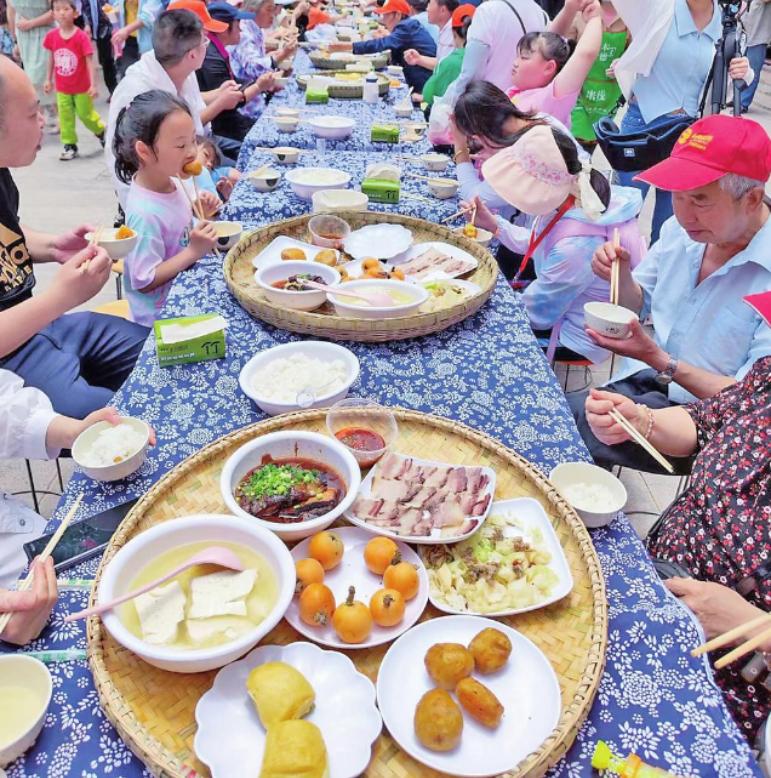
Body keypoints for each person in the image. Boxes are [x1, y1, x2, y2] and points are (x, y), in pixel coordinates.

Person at [585, 294, 770, 740]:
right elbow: (706, 424)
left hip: (729, 670)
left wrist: (754, 627)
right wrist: (641, 420)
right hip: (657, 574)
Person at [569, 114, 771, 473]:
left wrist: (660, 359)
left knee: (578, 435)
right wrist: (622, 274)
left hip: (708, 419)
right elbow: (636, 302)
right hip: (647, 378)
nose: (683, 214)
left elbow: (750, 402)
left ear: (752, 198)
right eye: (675, 196)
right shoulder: (680, 232)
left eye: (700, 199)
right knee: (563, 412)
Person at [0, 56, 148, 418]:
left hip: (42, 327)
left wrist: (53, 246)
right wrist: (61, 297)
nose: (44, 122)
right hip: (10, 365)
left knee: (161, 354)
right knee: (127, 425)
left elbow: (8, 235)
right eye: (33, 113)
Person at [474, 123, 643, 362]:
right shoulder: (571, 197)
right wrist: (493, 224)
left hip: (575, 336)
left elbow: (537, 314)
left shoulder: (576, 246)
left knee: (479, 337)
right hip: (558, 305)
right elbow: (538, 243)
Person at [609, 0, 752, 244]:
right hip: (643, 123)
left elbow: (726, 86)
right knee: (622, 215)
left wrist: (744, 72)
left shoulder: (727, 25)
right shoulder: (658, 8)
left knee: (671, 223)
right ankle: (611, 278)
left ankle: (655, 280)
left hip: (687, 136)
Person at [106, 6, 245, 207]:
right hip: (158, 200)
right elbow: (121, 162)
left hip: (194, 177)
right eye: (204, 41)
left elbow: (197, 126)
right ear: (192, 54)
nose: (207, 45)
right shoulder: (136, 91)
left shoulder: (184, 72)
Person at [450, 79, 585, 278]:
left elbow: (475, 199)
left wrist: (459, 148)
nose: (475, 145)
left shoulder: (525, 158)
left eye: (473, 139)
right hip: (542, 242)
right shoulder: (541, 122)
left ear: (481, 134)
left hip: (551, 263)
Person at [114, 91, 218, 326]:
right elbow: (144, 279)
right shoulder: (144, 213)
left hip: (187, 290)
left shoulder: (173, 181)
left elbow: (175, 232)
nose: (192, 152)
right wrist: (193, 251)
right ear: (144, 151)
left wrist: (199, 212)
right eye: (181, 145)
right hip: (161, 321)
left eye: (193, 140)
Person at [507, 0, 602, 126]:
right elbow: (550, 42)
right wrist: (570, 7)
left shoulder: (551, 99)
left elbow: (585, 54)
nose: (515, 62)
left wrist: (595, 17)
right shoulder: (519, 90)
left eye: (524, 57)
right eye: (518, 56)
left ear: (549, 67)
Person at [195, 1, 278, 143]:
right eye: (238, 25)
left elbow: (234, 86)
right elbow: (231, 102)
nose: (241, 30)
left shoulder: (217, 50)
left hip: (231, 121)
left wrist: (260, 84)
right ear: (224, 28)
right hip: (221, 129)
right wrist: (258, 86)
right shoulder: (211, 57)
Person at [440, 0, 550, 101]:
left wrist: (449, 103)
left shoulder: (488, 12)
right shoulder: (539, 12)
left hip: (489, 106)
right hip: (525, 103)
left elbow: (472, 73)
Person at [43, 0, 106, 162]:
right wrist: (48, 79)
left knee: (86, 115)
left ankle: (101, 130)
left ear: (75, 13)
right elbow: (51, 58)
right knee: (65, 117)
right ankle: (69, 145)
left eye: (66, 9)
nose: (62, 12)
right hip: (62, 87)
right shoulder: (52, 36)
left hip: (82, 87)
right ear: (53, 14)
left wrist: (93, 84)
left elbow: (89, 62)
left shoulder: (81, 37)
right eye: (57, 9)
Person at [328, 0, 437, 91]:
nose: (383, 19)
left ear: (398, 14)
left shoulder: (406, 26)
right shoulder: (407, 25)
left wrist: (347, 46)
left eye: (386, 15)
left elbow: (380, 44)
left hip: (422, 80)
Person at [569, 0, 627, 149]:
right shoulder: (580, 12)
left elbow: (636, 56)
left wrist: (623, 65)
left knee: (591, 143)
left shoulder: (632, 18)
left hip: (607, 97)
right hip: (578, 94)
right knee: (571, 144)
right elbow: (561, 51)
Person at [230, 0, 293, 124]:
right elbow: (253, 67)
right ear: (252, 11)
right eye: (269, 9)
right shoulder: (244, 32)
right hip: (246, 109)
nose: (273, 14)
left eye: (274, 9)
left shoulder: (256, 28)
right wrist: (281, 55)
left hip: (258, 97)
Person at [7, 0, 56, 130]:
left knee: (46, 77)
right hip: (25, 37)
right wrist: (15, 41)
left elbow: (55, 12)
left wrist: (30, 23)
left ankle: (57, 117)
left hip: (46, 33)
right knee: (32, 80)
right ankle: (39, 119)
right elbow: (11, 11)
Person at [419, 3, 474, 108]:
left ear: (453, 33)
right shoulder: (485, 58)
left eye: (430, 3)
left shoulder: (451, 62)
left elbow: (428, 93)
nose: (427, 8)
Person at [110, 0, 164, 79]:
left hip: (149, 42)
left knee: (148, 78)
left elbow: (149, 16)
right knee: (127, 76)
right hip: (128, 41)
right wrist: (113, 12)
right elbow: (117, 5)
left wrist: (126, 30)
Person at [404, 0, 459, 71]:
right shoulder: (444, 29)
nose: (427, 9)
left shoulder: (453, 31)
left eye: (429, 4)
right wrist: (418, 59)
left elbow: (447, 69)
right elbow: (441, 63)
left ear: (443, 10)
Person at [79, 0, 117, 95]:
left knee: (107, 60)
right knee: (82, 59)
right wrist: (86, 23)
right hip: (83, 25)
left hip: (105, 26)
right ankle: (83, 91)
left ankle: (113, 91)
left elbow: (113, 5)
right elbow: (79, 7)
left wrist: (114, 22)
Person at [740, 0, 771, 114]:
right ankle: (737, 98)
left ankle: (743, 102)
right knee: (741, 68)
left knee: (753, 70)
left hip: (759, 37)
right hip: (747, 34)